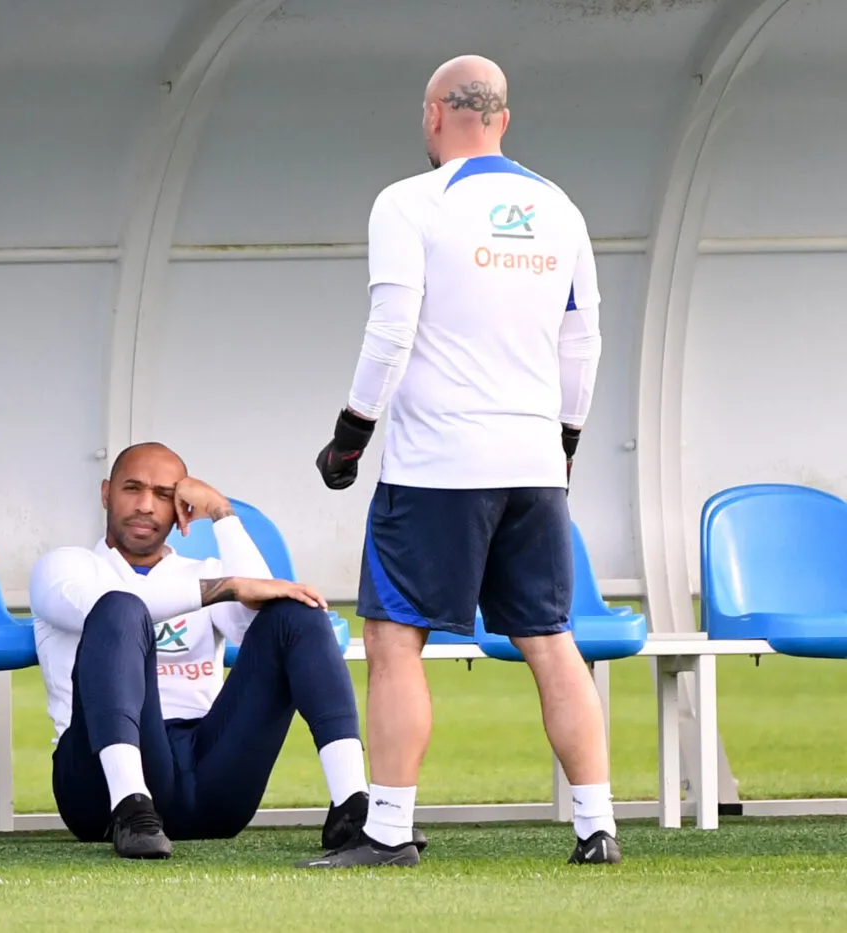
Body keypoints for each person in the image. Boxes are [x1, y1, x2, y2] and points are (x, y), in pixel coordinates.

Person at [304, 55, 614, 868]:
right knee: (551, 637)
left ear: (434, 115)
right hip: (534, 461)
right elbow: (583, 342)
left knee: (394, 638)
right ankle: (597, 826)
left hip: (438, 462)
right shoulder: (561, 209)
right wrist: (567, 439)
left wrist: (351, 434)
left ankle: (389, 830)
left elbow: (392, 326)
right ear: (504, 117)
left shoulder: (409, 202)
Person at [29, 442, 425, 860]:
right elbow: (109, 607)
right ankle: (133, 808)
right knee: (119, 608)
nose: (146, 505)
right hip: (98, 791)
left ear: (181, 508)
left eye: (164, 495)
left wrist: (222, 513)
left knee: (296, 611)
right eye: (133, 489)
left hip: (206, 781)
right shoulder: (64, 567)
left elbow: (272, 623)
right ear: (106, 493)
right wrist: (230, 588)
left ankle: (352, 805)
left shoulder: (204, 573)